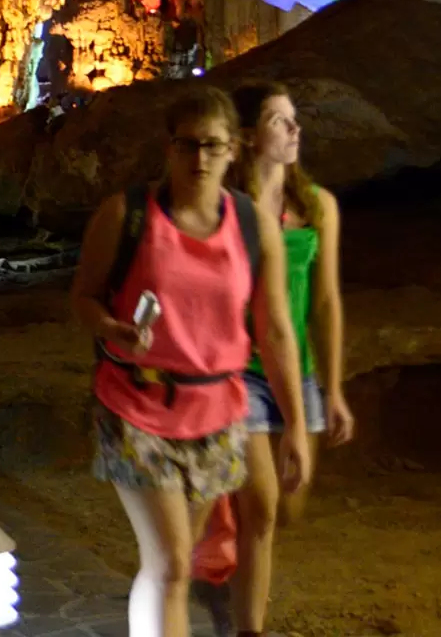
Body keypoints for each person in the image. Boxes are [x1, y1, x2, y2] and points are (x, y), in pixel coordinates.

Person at [69, 86, 311, 637]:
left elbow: (274, 331)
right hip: (137, 404)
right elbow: (85, 294)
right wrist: (108, 327)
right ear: (168, 148)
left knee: (178, 562)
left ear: (234, 149)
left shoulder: (252, 227)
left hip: (217, 411)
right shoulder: (127, 216)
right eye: (186, 145)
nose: (198, 159)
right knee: (173, 562)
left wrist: (295, 423)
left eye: (211, 145)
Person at [191, 83, 355, 637]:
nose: (294, 130)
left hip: (295, 369)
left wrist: (331, 389)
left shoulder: (315, 207)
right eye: (279, 121)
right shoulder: (224, 208)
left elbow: (325, 303)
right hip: (237, 370)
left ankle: (221, 566)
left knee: (285, 508)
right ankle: (249, 627)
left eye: (294, 120)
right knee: (260, 503)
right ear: (247, 136)